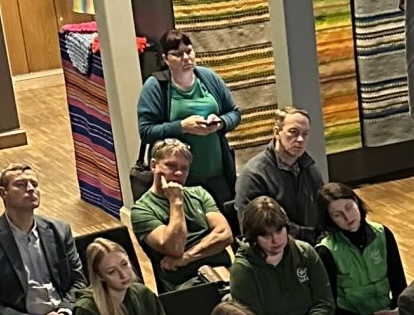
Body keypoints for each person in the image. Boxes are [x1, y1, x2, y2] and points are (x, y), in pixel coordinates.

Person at [0, 161, 86, 315]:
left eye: (34, 184)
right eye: (21, 184)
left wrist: (63, 312)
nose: (30, 189)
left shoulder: (59, 230)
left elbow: (78, 281)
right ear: (3, 193)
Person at [135, 30, 241, 203]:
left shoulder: (208, 77)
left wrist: (221, 123)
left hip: (217, 172)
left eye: (189, 51)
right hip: (179, 177)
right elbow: (146, 131)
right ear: (165, 59)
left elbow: (234, 113)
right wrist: (182, 127)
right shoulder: (156, 86)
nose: (186, 58)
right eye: (177, 54)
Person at [227, 196, 339, 315]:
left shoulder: (305, 252)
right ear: (253, 238)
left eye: (279, 231)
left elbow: (325, 302)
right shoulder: (243, 269)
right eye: (266, 235)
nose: (275, 240)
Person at [131, 141, 235, 291]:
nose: (179, 173)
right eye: (171, 166)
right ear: (154, 166)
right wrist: (176, 202)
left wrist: (186, 258)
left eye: (184, 168)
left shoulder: (199, 193)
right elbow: (174, 248)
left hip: (222, 272)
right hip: (186, 285)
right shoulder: (142, 210)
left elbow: (225, 235)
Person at [316, 179, 406, 315]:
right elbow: (329, 308)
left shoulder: (383, 234)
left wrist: (395, 312)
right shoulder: (326, 251)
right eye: (338, 214)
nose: (347, 217)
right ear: (330, 219)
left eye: (349, 207)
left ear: (356, 202)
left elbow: (400, 285)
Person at [234, 105, 325, 237]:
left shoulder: (309, 168)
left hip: (313, 241)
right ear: (277, 133)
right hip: (275, 244)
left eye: (305, 134)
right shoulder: (254, 174)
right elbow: (253, 227)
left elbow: (324, 209)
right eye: (293, 132)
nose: (300, 139)